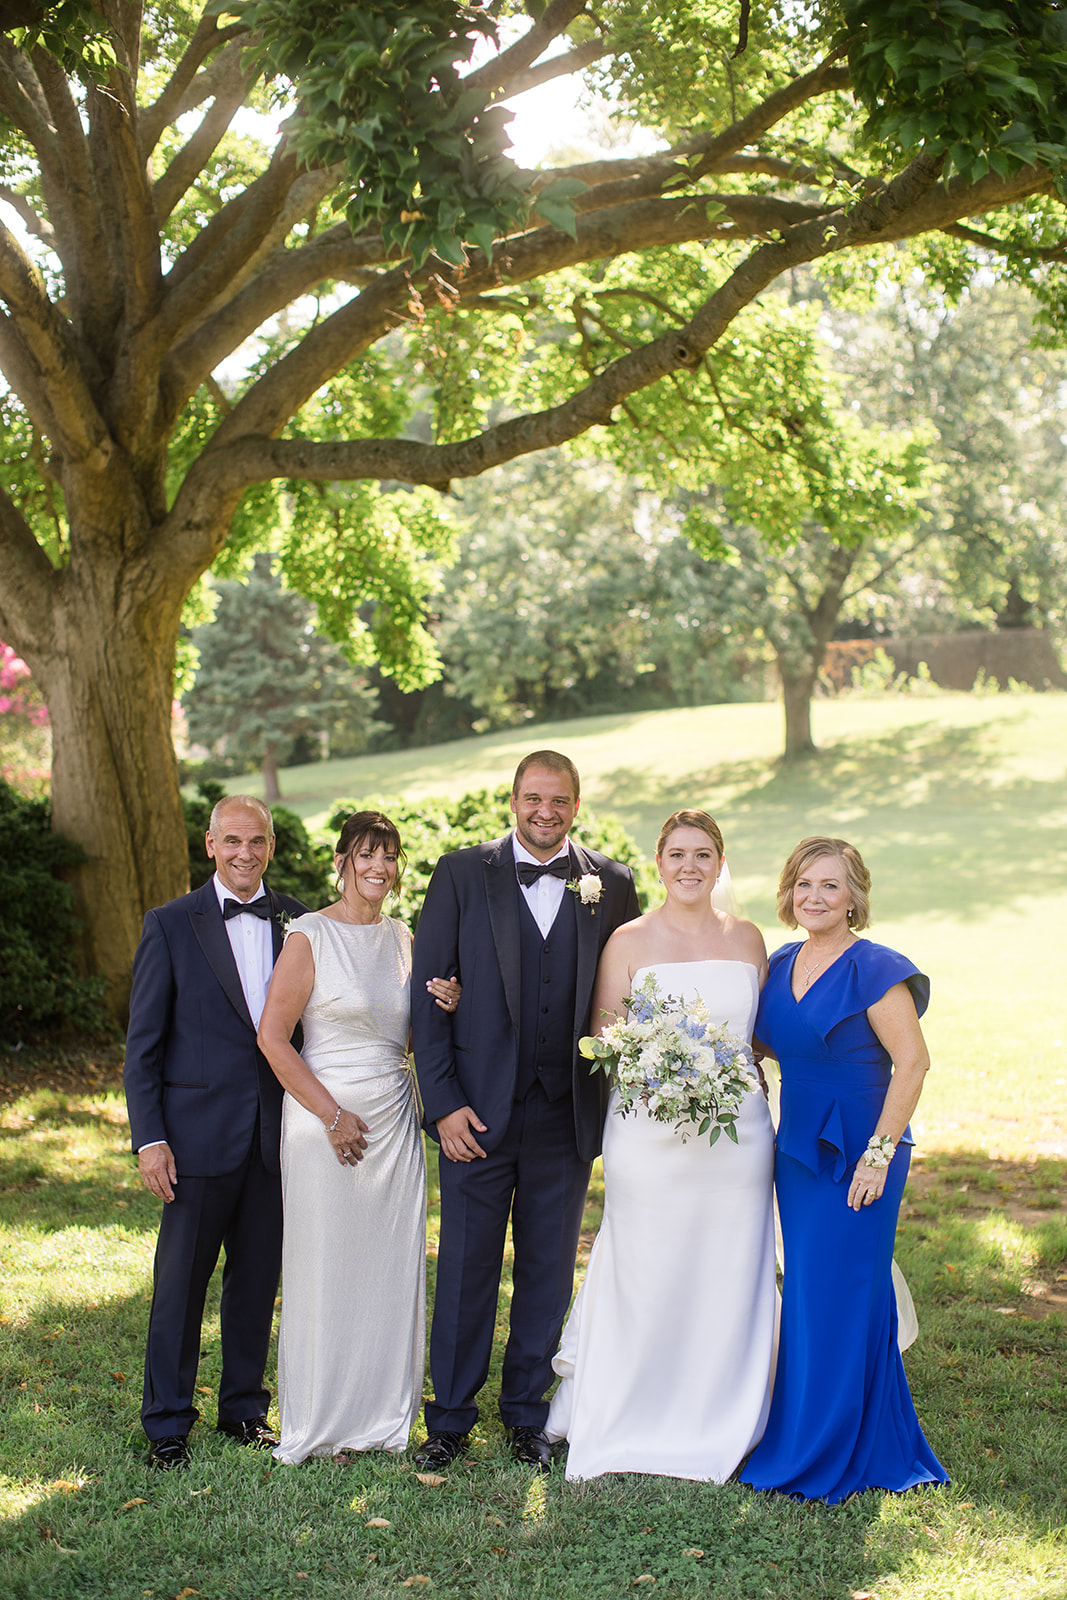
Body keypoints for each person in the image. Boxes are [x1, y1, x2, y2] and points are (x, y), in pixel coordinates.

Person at [410, 751, 641, 1471]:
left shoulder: (614, 884)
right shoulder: (460, 873)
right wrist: (443, 1106)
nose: (546, 811)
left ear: (576, 803)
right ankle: (448, 1418)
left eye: (560, 800)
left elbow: (629, 1001)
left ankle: (525, 1415)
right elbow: (428, 997)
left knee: (546, 1271)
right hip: (474, 1116)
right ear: (512, 800)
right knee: (466, 1271)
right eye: (532, 798)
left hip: (564, 1113)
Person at [544, 808, 777, 1481]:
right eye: (677, 854)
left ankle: (723, 1409)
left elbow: (760, 1036)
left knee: (728, 1265)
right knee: (645, 1266)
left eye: (703, 854)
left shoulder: (748, 938)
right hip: (648, 1132)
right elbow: (605, 1038)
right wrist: (668, 1081)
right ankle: (633, 1408)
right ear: (658, 862)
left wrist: (722, 1075)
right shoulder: (627, 940)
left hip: (736, 1136)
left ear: (720, 862)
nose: (689, 866)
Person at [740, 837, 948, 1502]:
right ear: (787, 892)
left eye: (829, 886)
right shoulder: (778, 964)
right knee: (807, 1289)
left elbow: (911, 1064)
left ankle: (836, 1447)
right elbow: (767, 1041)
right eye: (803, 884)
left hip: (865, 1148)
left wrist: (879, 1156)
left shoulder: (877, 968)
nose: (814, 897)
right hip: (797, 1149)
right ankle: (819, 1431)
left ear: (853, 896)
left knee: (844, 1290)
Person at [256, 811, 460, 1464]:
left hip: (394, 1117)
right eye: (367, 854)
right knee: (326, 1264)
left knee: (387, 1266)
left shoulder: (404, 939)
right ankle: (320, 1417)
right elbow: (272, 1037)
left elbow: (405, 1035)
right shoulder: (308, 935)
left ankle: (380, 1416)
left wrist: (446, 1001)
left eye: (390, 856)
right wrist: (330, 1115)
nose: (379, 867)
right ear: (342, 859)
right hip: (324, 1120)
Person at [124, 795, 308, 1471]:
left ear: (269, 847)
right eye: (231, 841)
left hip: (274, 1138)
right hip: (194, 1142)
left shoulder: (297, 920)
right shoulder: (170, 925)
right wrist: (150, 1139)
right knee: (181, 1286)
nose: (243, 853)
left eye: (255, 841)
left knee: (256, 1281)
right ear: (209, 845)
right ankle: (168, 1422)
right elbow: (143, 1046)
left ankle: (243, 1408)